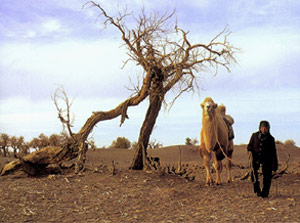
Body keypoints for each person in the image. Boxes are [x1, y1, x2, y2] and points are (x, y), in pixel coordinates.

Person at [247, 120, 278, 198]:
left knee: (267, 177)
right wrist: (250, 150)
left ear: (268, 129)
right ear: (260, 128)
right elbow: (249, 145)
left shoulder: (271, 139)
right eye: (262, 128)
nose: (264, 129)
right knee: (253, 174)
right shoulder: (254, 135)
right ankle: (257, 190)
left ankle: (265, 192)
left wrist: (275, 164)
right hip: (255, 158)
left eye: (265, 128)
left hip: (267, 159)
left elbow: (273, 152)